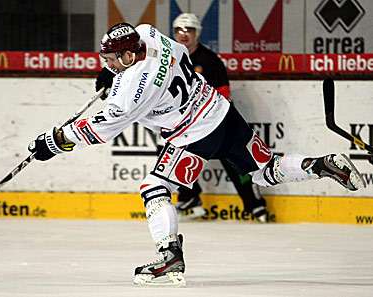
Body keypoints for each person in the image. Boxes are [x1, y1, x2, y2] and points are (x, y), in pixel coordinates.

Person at [28, 23, 366, 287]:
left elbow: (98, 129)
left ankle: (169, 254)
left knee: (153, 187)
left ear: (130, 57)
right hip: (222, 113)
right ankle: (322, 165)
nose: (109, 64)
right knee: (266, 169)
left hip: (193, 135)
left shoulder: (131, 92)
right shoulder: (148, 35)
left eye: (113, 60)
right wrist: (113, 73)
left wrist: (53, 142)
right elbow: (172, 53)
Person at [171, 13, 268, 222]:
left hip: (218, 121)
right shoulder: (172, 61)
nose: (183, 35)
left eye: (189, 30)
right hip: (190, 126)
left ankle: (255, 205)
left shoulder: (210, 61)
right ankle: (189, 197)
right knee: (171, 153)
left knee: (236, 161)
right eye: (179, 30)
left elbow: (224, 94)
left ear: (198, 33)